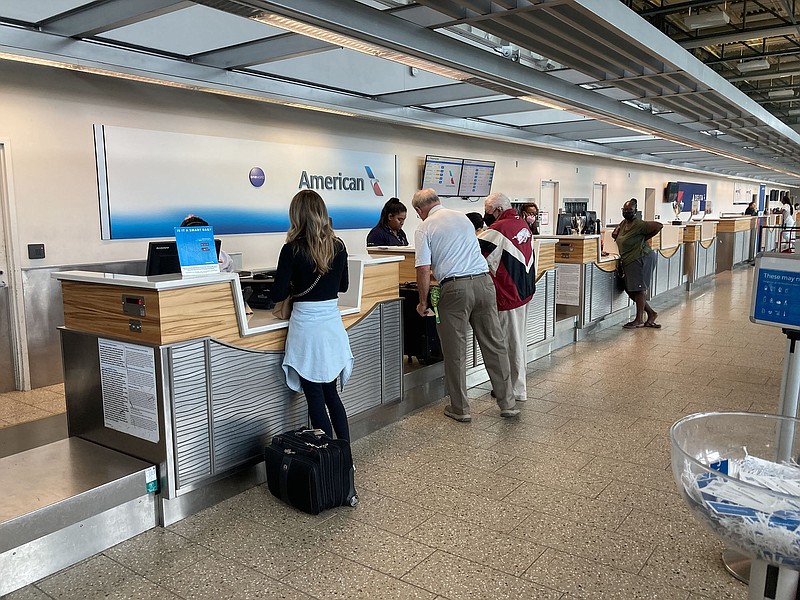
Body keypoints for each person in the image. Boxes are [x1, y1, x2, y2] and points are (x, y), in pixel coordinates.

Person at [412, 188, 520, 422]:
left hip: (454, 289)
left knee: (455, 351)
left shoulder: (424, 227)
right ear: (438, 201)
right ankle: (508, 404)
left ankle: (460, 409)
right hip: (484, 284)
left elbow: (422, 268)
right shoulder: (462, 217)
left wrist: (423, 302)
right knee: (495, 345)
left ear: (419, 210)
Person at [270, 190, 353, 440]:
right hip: (331, 326)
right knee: (331, 395)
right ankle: (344, 458)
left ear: (296, 215)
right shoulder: (338, 246)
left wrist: (295, 286)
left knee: (314, 397)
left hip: (306, 329)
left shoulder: (292, 249)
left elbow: (277, 293)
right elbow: (343, 285)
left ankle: (327, 458)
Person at [479, 192, 537, 405]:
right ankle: (515, 385)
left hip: (508, 293)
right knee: (518, 341)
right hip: (524, 291)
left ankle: (515, 390)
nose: (486, 217)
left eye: (488, 213)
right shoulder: (521, 224)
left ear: (497, 210)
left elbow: (474, 252)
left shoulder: (497, 230)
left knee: (511, 344)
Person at [611, 198, 663, 329]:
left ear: (635, 211)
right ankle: (651, 314)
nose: (627, 212)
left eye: (630, 210)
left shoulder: (639, 224)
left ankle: (639, 319)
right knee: (630, 289)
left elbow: (658, 226)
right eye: (625, 210)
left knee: (639, 290)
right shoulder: (624, 223)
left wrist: (644, 238)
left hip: (641, 258)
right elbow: (616, 235)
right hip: (629, 259)